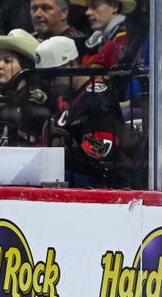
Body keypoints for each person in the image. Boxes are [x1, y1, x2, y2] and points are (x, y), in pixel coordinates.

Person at [35, 36, 126, 187]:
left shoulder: (97, 96)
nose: (49, 83)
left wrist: (52, 157)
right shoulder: (61, 98)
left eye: (52, 75)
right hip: (67, 184)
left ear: (71, 64)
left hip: (98, 190)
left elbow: (101, 152)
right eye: (44, 77)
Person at [70, 0, 133, 68]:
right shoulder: (98, 39)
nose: (87, 12)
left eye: (94, 6)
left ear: (114, 7)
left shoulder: (124, 38)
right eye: (88, 7)